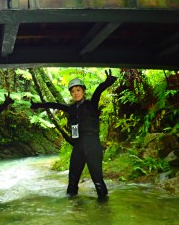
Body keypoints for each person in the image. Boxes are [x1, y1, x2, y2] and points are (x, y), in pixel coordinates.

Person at [30, 70, 117, 201]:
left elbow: (98, 91)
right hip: (78, 148)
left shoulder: (91, 105)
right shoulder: (71, 108)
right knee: (72, 183)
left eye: (78, 90)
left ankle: (104, 211)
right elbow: (54, 104)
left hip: (92, 146)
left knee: (98, 181)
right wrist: (38, 105)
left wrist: (108, 81)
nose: (75, 93)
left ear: (83, 91)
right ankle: (72, 210)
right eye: (73, 91)